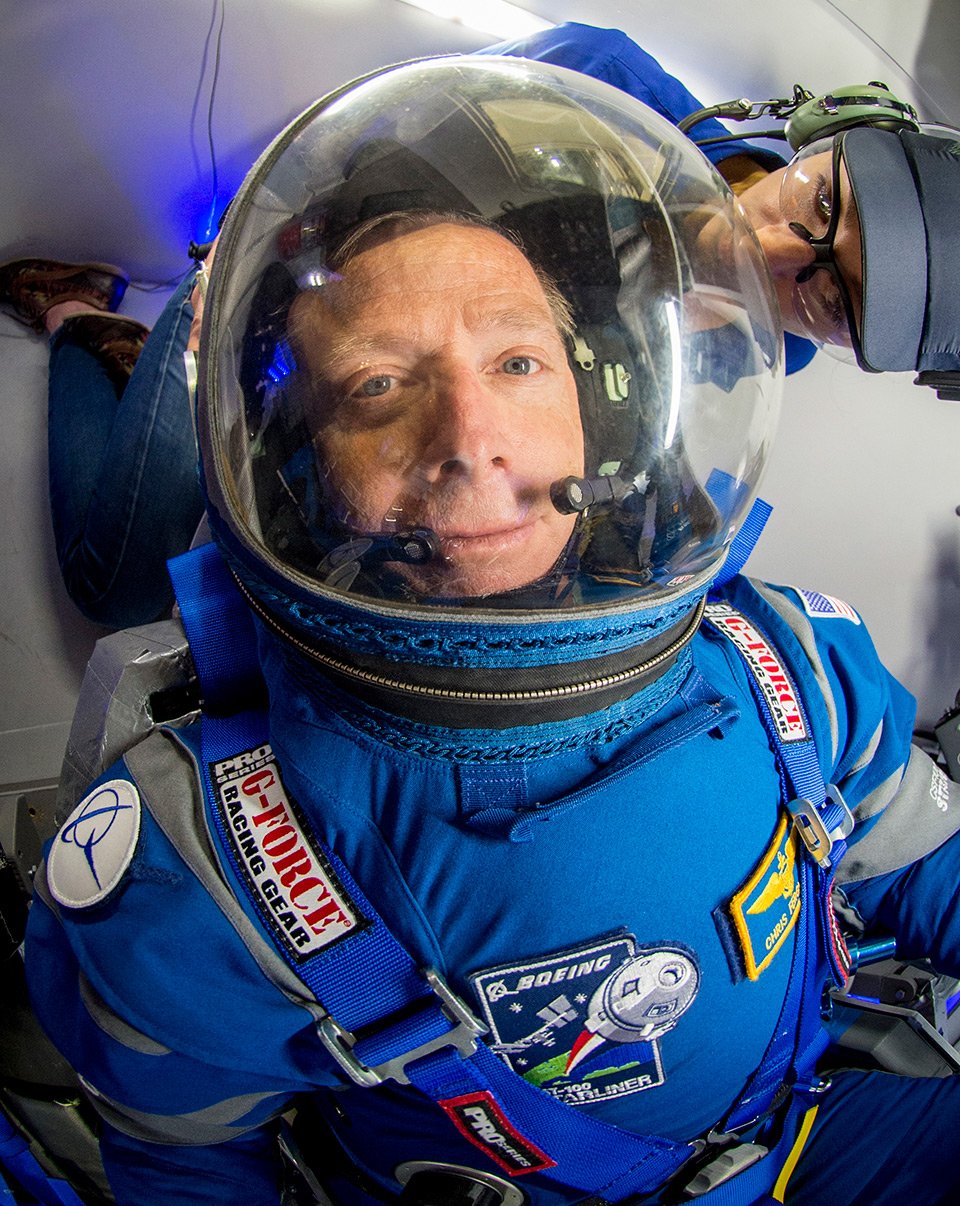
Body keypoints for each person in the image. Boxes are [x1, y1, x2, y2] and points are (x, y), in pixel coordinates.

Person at [23, 50, 960, 1206]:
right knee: (114, 562)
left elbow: (930, 867)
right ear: (302, 460)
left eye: (519, 363)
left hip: (811, 1146)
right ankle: (84, 326)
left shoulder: (799, 675)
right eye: (377, 387)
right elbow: (188, 1164)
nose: (471, 435)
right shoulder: (198, 873)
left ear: (601, 419)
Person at [10, 20, 955, 630]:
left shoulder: (760, 348)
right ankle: (79, 316)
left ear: (846, 347)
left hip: (403, 391)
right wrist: (246, 286)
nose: (790, 253)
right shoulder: (606, 85)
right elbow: (368, 145)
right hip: (284, 281)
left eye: (835, 298)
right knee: (121, 585)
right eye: (822, 203)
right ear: (823, 135)